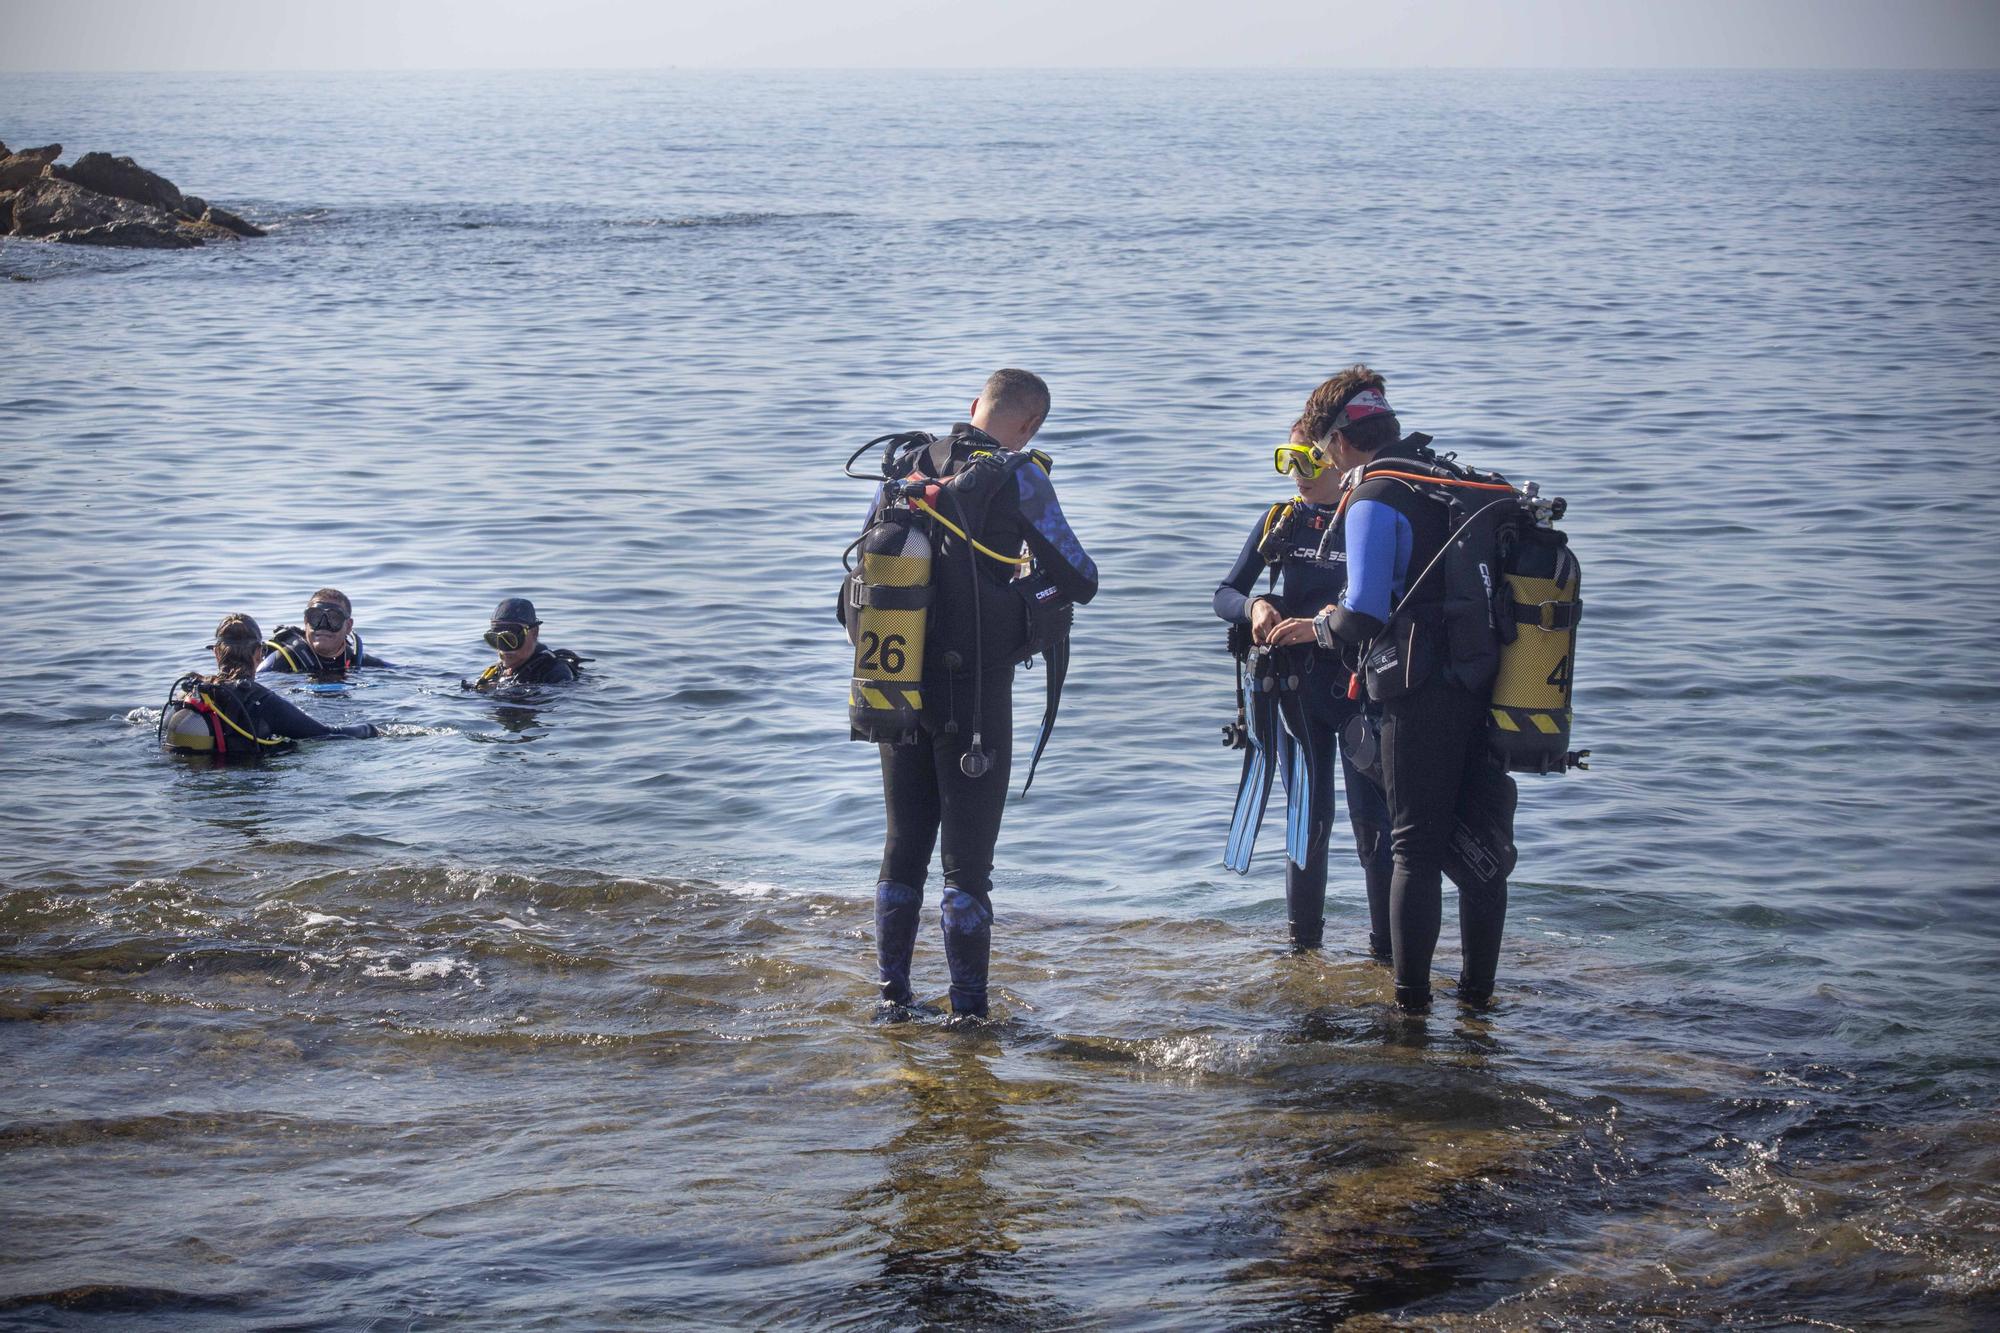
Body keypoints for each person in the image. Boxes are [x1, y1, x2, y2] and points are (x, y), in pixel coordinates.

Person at [846, 369, 1098, 1021]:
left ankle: (890, 1000)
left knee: (902, 850)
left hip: (894, 680)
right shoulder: (1022, 475)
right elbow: (1081, 577)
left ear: (972, 407)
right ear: (1030, 426)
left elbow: (861, 577)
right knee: (966, 871)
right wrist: (1027, 598)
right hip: (974, 696)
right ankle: (968, 1016)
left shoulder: (905, 466)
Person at [1268, 367, 1515, 1013]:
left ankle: (1409, 1015)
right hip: (1489, 684)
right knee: (1485, 845)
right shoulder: (1447, 480)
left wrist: (1313, 628)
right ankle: (1479, 1003)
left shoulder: (1377, 494)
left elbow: (1365, 612)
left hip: (1419, 695)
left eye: (1322, 451)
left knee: (1414, 848)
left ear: (1339, 445)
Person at [1214, 419, 1395, 956]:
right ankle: (1303, 953)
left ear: (1340, 457)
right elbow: (1225, 592)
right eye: (1286, 460)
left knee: (1374, 831)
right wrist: (1255, 607)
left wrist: (1326, 626)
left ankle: (1386, 953)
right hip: (1297, 695)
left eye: (1308, 462)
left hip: (1360, 693)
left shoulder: (1369, 515)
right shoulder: (1283, 521)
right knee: (1307, 827)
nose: (1297, 474)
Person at [160, 613, 378, 756]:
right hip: (248, 788)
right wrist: (371, 730)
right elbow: (324, 734)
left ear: (217, 653)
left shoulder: (190, 692)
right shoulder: (260, 700)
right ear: (259, 653)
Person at [259, 588, 391, 676]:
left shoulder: (359, 662)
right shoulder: (280, 661)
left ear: (349, 626)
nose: (323, 626)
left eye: (333, 618)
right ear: (306, 621)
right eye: (316, 617)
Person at [466, 597, 582, 690]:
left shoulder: (556, 673)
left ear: (534, 632)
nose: (504, 649)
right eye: (496, 640)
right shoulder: (496, 671)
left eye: (512, 639)